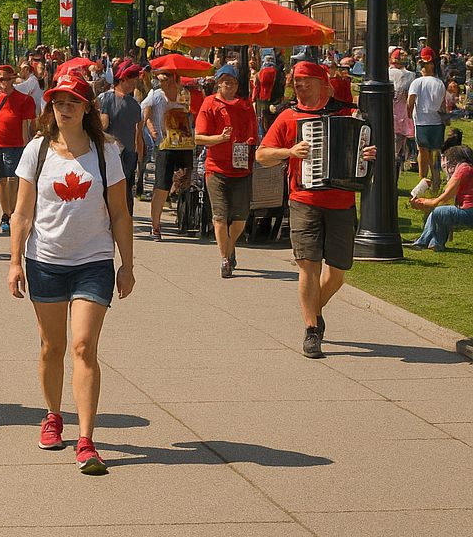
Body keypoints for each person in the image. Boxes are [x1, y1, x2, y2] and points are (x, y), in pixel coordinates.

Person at [6, 72, 134, 475]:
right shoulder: (36, 151)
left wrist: (127, 265)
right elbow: (22, 213)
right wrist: (14, 262)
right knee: (51, 347)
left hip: (93, 262)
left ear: (86, 108)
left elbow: (119, 214)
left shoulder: (104, 153)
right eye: (59, 101)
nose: (65, 108)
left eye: (73, 102)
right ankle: (52, 415)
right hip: (45, 260)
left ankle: (86, 439)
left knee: (82, 346)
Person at [256, 60, 377, 359]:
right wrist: (289, 151)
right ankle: (312, 329)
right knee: (308, 266)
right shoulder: (288, 117)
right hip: (304, 200)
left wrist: (367, 153)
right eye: (297, 81)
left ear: (324, 84)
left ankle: (314, 310)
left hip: (341, 201)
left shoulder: (347, 114)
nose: (299, 86)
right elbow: (261, 156)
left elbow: (365, 149)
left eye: (306, 80)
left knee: (337, 273)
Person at [194, 65, 257, 278]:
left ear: (237, 85)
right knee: (220, 216)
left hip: (240, 169)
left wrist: (248, 141)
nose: (228, 84)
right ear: (218, 83)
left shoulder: (245, 106)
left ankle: (229, 248)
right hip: (216, 169)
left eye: (232, 81)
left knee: (240, 218)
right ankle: (225, 259)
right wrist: (219, 138)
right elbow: (199, 137)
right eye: (225, 80)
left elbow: (253, 133)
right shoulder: (209, 104)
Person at [0, 64, 37, 236]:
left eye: (5, 79)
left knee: (13, 178)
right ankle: (6, 213)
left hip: (16, 145)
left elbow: (27, 125)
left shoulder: (24, 100)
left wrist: (27, 145)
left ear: (12, 80)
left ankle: (13, 211)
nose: (2, 82)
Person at [143, 68, 193, 240]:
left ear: (174, 78)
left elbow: (190, 115)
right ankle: (155, 225)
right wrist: (151, 130)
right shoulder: (155, 95)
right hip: (164, 145)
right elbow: (145, 114)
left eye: (165, 79)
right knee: (161, 186)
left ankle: (184, 217)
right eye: (160, 79)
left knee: (185, 179)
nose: (161, 82)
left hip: (184, 143)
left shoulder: (184, 94)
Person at [408, 144, 473, 250]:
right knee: (443, 212)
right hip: (469, 211)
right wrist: (426, 201)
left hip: (469, 212)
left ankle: (422, 242)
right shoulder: (468, 168)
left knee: (438, 211)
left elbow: (443, 199)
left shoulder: (463, 169)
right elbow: (446, 198)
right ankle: (435, 243)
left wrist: (424, 202)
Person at [98, 62, 144, 207]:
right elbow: (139, 134)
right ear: (123, 79)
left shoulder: (105, 98)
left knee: (108, 190)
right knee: (124, 192)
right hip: (124, 154)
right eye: (132, 81)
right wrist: (140, 157)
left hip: (114, 153)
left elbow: (103, 125)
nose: (134, 85)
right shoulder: (134, 105)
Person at [407, 52, 449, 193]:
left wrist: (409, 114)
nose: (422, 67)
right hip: (437, 122)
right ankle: (436, 180)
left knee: (423, 152)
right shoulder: (440, 83)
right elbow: (443, 105)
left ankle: (423, 181)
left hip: (422, 122)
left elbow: (410, 100)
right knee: (436, 152)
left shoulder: (417, 82)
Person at [389, 49, 416, 174]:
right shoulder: (410, 76)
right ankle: (393, 177)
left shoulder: (385, 73)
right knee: (397, 150)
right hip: (402, 116)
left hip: (387, 115)